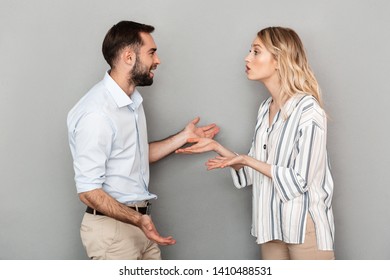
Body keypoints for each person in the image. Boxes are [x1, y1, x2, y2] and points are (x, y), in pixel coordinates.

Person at [176, 27, 335, 260]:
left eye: (256, 51)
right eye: (250, 50)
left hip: (304, 226)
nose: (247, 57)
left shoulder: (308, 110)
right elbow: (255, 172)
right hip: (269, 225)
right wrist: (217, 147)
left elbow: (299, 180)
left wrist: (247, 159)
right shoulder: (264, 109)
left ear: (279, 60)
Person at [67, 20, 219, 260]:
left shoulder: (132, 102)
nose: (157, 61)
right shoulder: (96, 112)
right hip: (114, 232)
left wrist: (184, 137)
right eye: (151, 53)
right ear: (129, 57)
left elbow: (134, 156)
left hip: (139, 225)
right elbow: (88, 190)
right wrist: (138, 219)